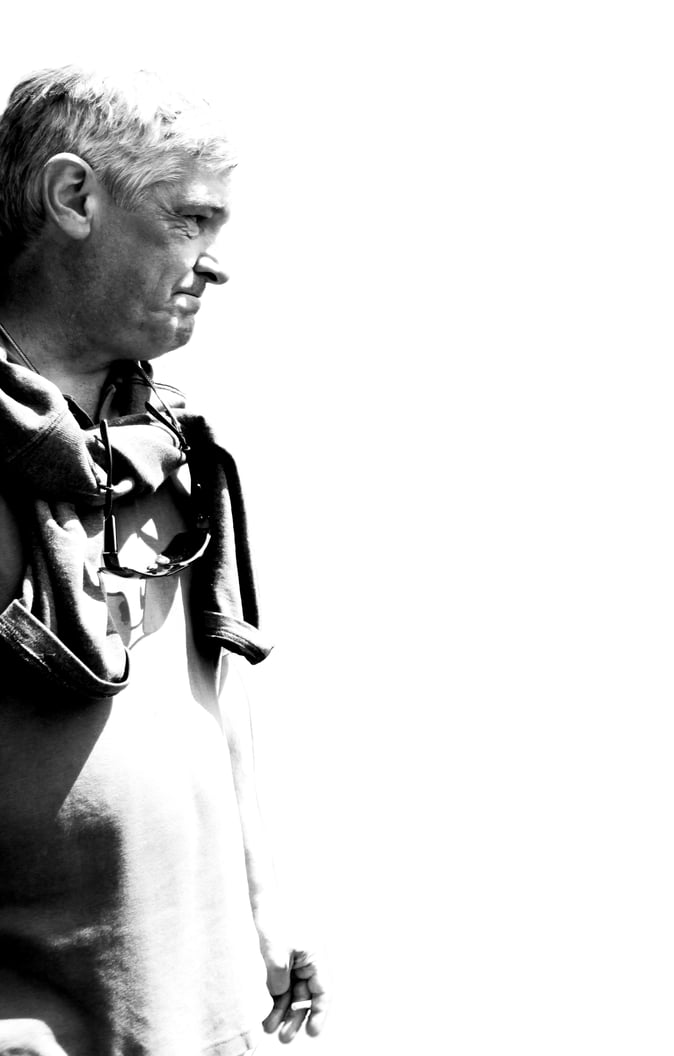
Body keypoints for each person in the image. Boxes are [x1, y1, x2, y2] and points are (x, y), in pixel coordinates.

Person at [0, 66, 328, 1056]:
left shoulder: (175, 443)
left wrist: (265, 903)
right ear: (73, 197)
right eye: (188, 220)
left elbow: (216, 689)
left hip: (199, 1012)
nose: (213, 264)